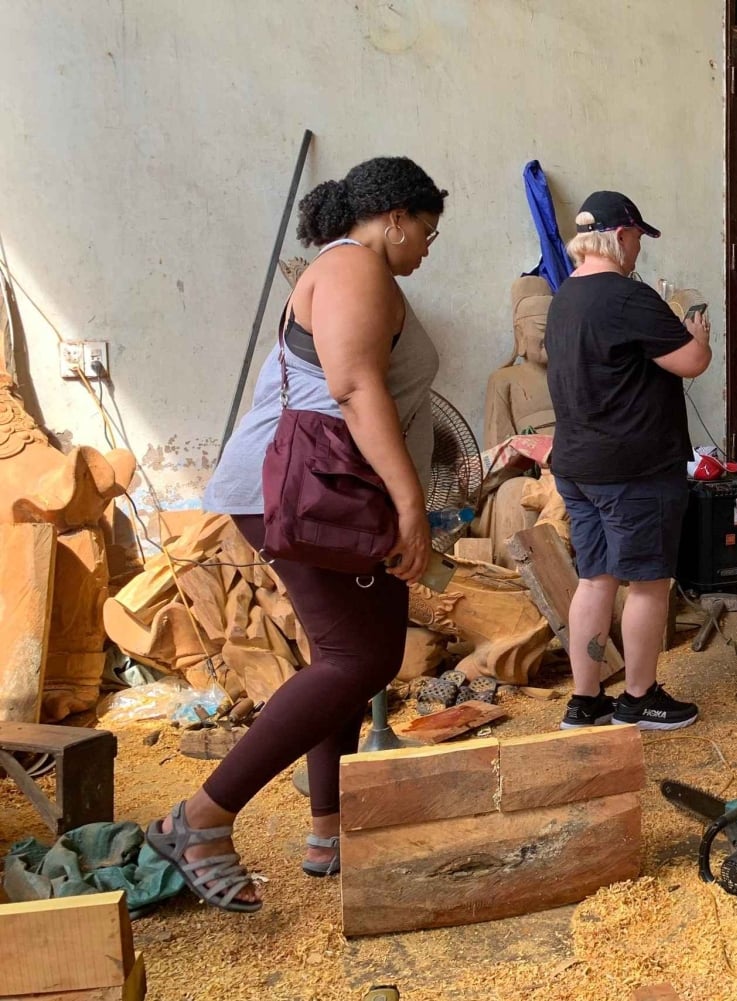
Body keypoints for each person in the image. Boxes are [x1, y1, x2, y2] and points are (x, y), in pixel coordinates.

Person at [148, 157, 447, 911]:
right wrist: (410, 501)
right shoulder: (354, 268)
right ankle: (200, 819)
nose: (427, 249)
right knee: (362, 654)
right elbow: (351, 384)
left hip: (315, 489)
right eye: (427, 232)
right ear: (396, 218)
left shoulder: (351, 270)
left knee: (347, 655)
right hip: (303, 492)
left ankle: (329, 830)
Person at [546, 190, 710, 731]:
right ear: (619, 236)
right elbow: (690, 363)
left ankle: (585, 700)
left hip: (577, 465)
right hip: (633, 469)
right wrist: (698, 334)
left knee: (595, 580)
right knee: (647, 582)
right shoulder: (626, 296)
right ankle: (639, 698)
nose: (639, 248)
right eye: (639, 236)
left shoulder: (564, 296)